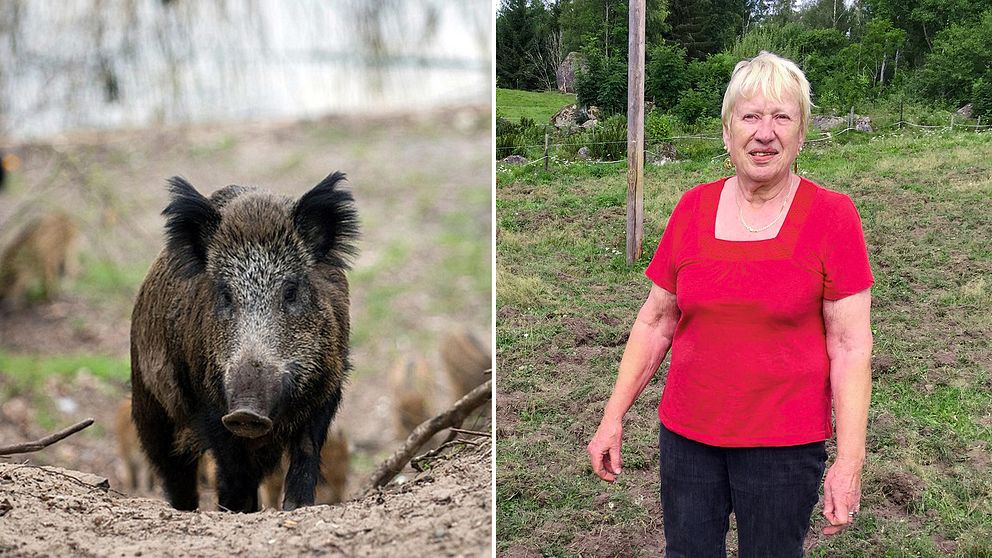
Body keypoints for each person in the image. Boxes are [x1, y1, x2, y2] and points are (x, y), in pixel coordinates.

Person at [587, 51, 874, 557]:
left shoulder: (833, 216)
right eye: (750, 116)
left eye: (782, 116)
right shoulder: (692, 207)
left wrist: (849, 462)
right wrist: (613, 415)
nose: (765, 133)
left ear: (802, 133)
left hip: (784, 446)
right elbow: (655, 321)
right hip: (688, 438)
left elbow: (851, 346)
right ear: (727, 133)